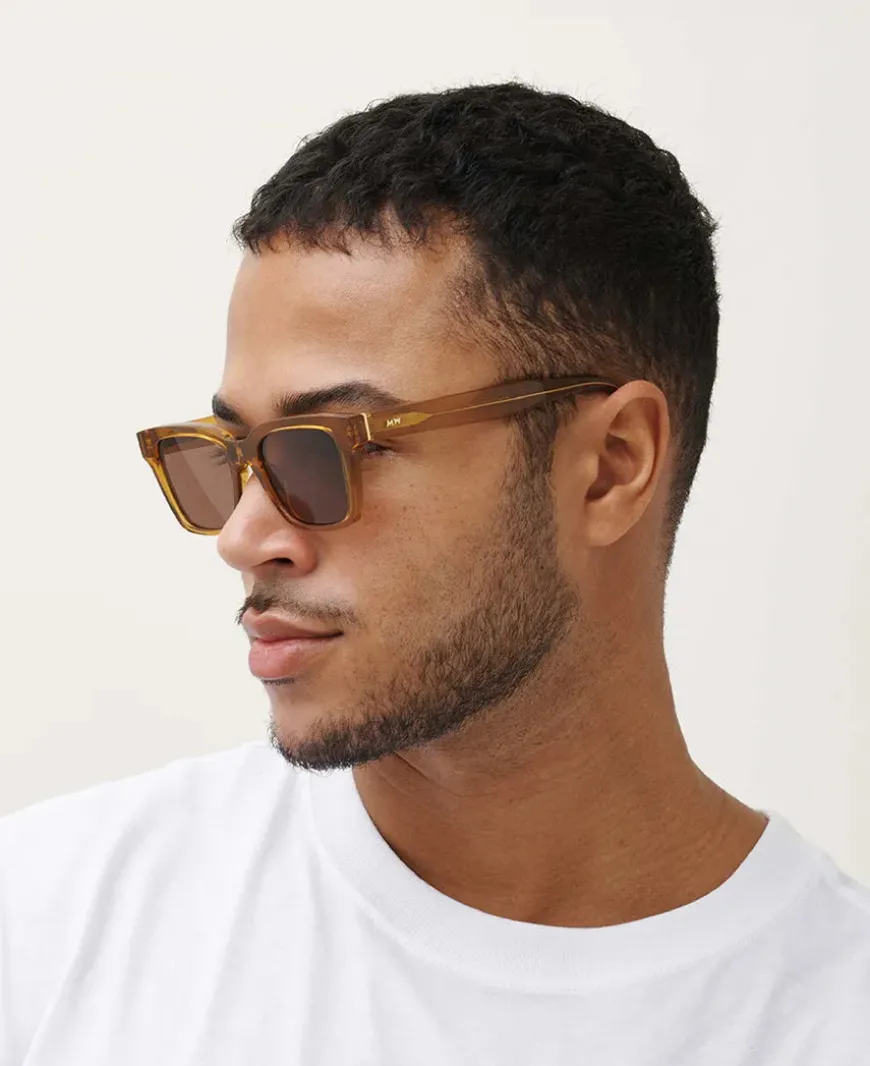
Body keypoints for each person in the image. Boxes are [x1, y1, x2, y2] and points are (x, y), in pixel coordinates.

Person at [1, 81, 867, 1066]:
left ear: (611, 466)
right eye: (232, 455)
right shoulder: (51, 932)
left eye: (328, 447)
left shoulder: (835, 1015)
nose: (244, 536)